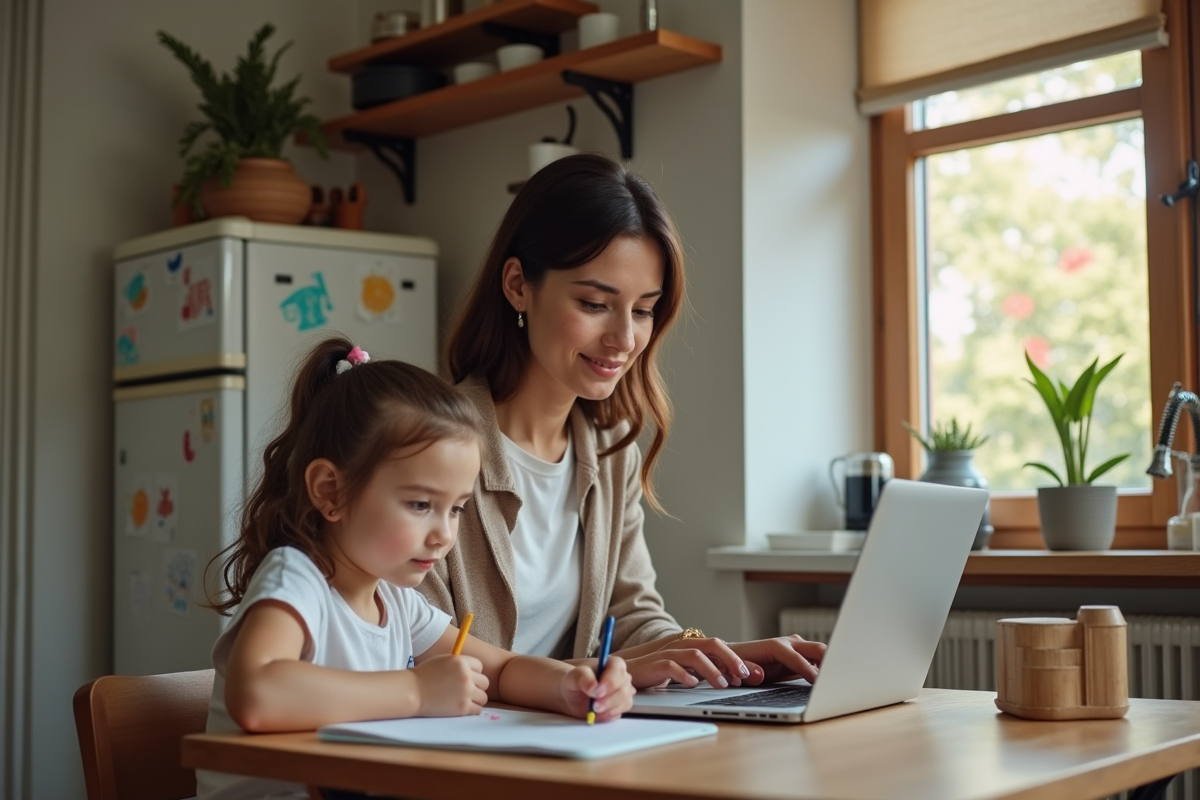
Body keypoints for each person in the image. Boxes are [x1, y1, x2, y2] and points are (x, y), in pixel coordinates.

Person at [421, 153, 826, 690]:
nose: (625, 340)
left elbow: (633, 619)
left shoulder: (611, 452)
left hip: (580, 737)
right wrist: (608, 673)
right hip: (464, 748)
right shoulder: (428, 448)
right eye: (594, 303)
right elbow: (418, 648)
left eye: (642, 310)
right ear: (518, 285)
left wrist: (722, 655)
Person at [196, 337, 634, 800]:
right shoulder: (296, 580)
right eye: (421, 504)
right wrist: (417, 692)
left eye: (457, 509)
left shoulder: (397, 602)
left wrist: (567, 686)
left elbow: (503, 671)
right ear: (330, 491)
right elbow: (259, 694)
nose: (444, 533)